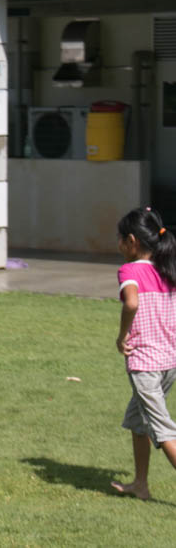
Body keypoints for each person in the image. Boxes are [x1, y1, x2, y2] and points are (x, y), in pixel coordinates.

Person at [110, 207, 176, 501]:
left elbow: (132, 303)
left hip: (145, 364)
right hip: (170, 361)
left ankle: (141, 483)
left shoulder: (130, 270)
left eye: (120, 239)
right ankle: (140, 484)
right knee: (138, 421)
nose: (119, 245)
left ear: (132, 240)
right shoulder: (167, 270)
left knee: (162, 430)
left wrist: (122, 335)